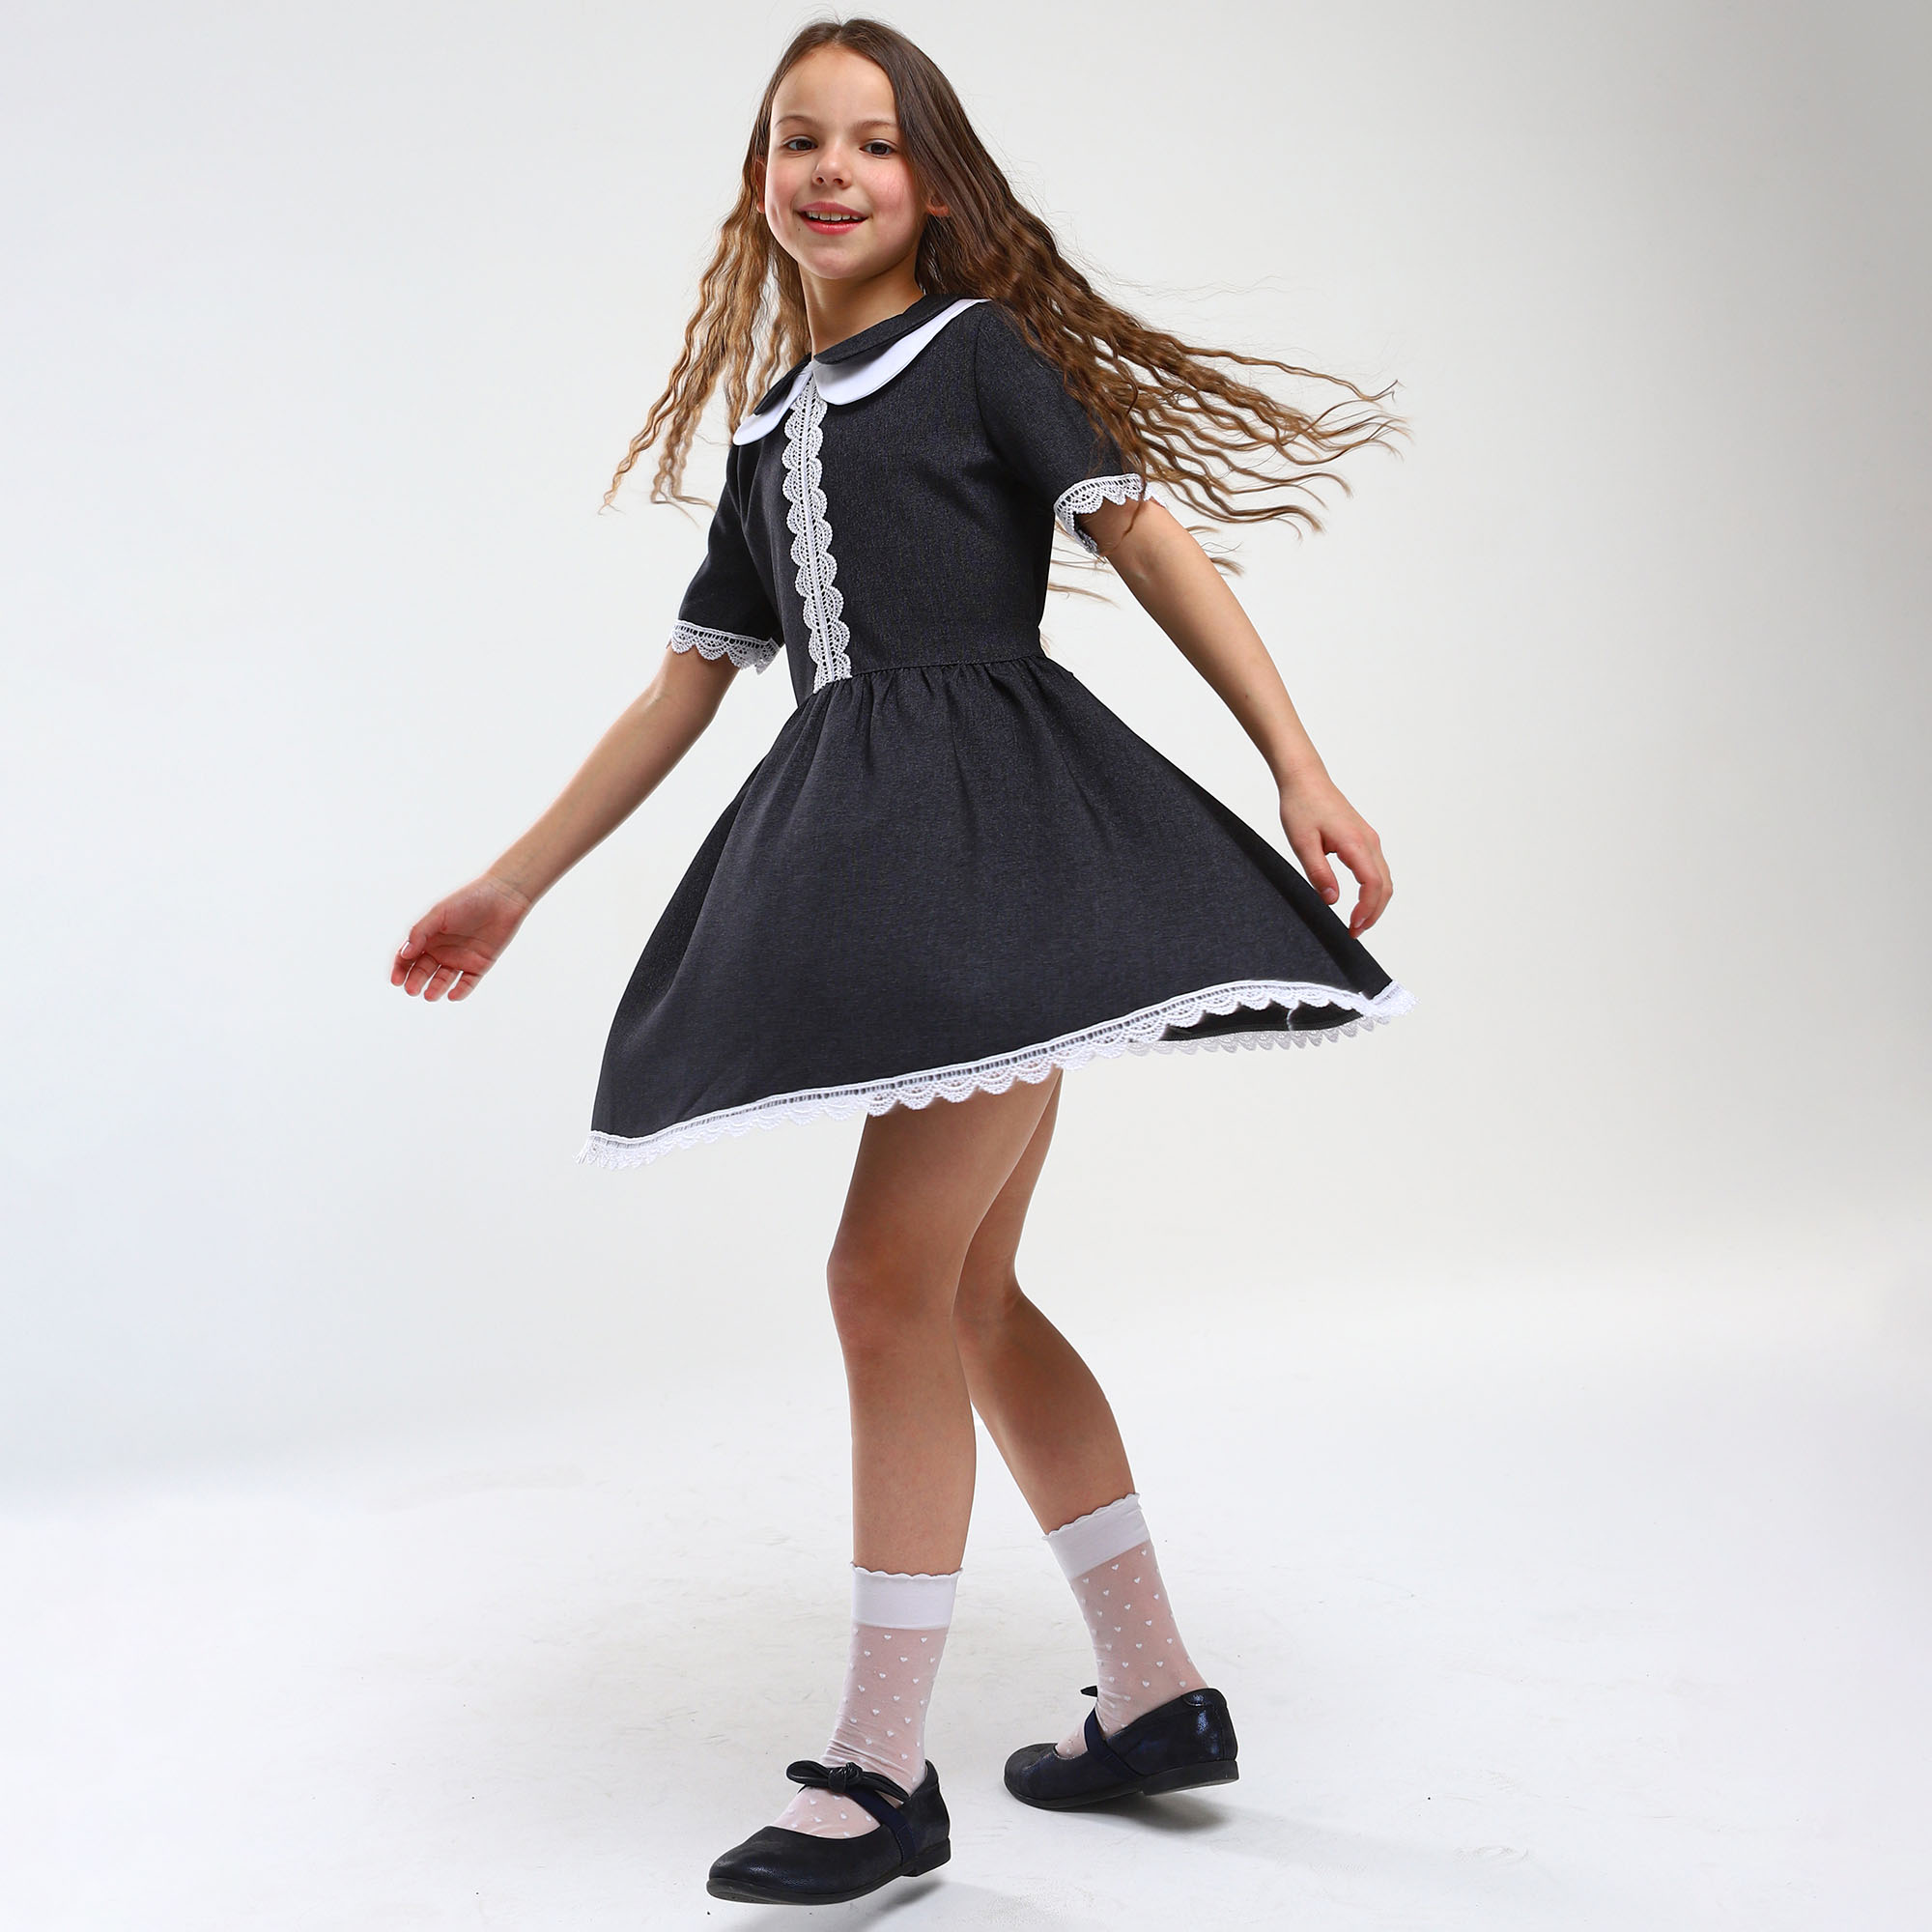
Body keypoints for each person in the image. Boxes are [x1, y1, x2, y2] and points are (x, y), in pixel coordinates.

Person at [390, 16, 1413, 1909]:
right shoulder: (769, 430)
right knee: (967, 1295)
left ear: (933, 185)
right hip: (892, 857)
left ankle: (879, 1776)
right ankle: (1156, 1695)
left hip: (1001, 849)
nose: (833, 171)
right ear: (760, 180)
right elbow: (682, 689)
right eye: (800, 139)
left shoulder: (979, 356)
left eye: (872, 142)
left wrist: (1298, 761)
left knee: (882, 1279)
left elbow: (1151, 542)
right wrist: (512, 884)